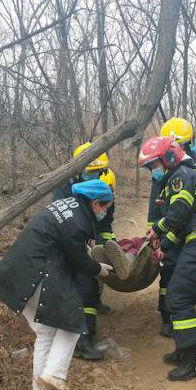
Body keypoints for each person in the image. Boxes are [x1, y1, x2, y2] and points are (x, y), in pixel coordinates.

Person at [0, 180, 114, 390]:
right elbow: (78, 259)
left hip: (18, 271)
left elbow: (64, 240)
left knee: (46, 332)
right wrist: (98, 269)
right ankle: (54, 374)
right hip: (37, 272)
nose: (105, 212)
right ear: (95, 204)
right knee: (74, 324)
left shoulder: (67, 206)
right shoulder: (79, 222)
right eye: (105, 207)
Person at [139, 136, 196, 380]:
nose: (152, 172)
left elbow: (178, 214)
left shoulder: (180, 176)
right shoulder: (176, 179)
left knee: (177, 297)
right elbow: (181, 224)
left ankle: (195, 359)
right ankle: (183, 349)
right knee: (181, 296)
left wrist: (157, 230)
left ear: (168, 159)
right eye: (149, 168)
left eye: (153, 165)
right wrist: (165, 246)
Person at [53, 143, 116, 360]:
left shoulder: (104, 186)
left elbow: (105, 223)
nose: (95, 176)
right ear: (79, 169)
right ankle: (82, 340)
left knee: (92, 280)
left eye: (98, 172)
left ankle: (88, 324)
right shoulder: (64, 188)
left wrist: (108, 246)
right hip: (69, 240)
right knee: (85, 281)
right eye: (90, 172)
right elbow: (65, 225)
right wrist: (86, 253)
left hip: (86, 236)